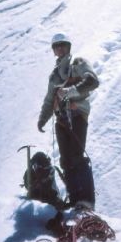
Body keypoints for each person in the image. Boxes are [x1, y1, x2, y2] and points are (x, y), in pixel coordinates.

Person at [37, 32, 98, 210]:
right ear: (54, 51)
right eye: (56, 47)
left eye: (62, 45)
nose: (60, 49)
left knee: (76, 156)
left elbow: (92, 81)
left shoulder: (78, 63)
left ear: (69, 47)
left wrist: (70, 91)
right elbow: (50, 100)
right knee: (65, 159)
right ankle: (74, 198)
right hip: (61, 118)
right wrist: (42, 119)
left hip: (77, 112)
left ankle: (86, 201)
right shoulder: (55, 75)